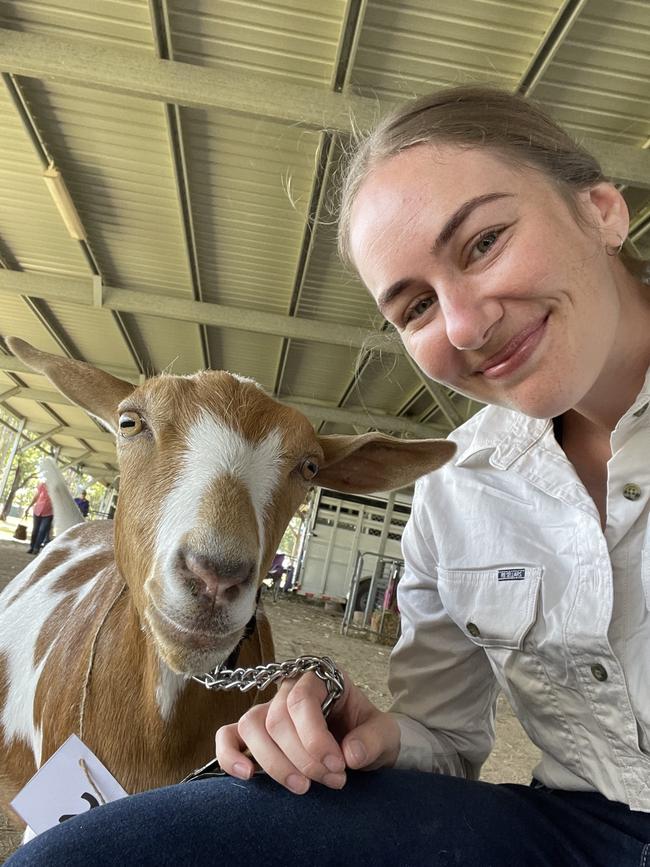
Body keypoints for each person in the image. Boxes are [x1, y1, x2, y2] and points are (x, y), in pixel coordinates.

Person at [8, 86, 650, 866]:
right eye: (414, 307)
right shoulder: (458, 491)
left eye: (483, 241)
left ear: (604, 210)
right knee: (69, 859)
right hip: (571, 829)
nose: (465, 323)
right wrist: (366, 735)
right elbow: (444, 739)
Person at [24, 478, 53, 555]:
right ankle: (32, 547)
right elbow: (36, 497)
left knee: (42, 531)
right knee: (35, 530)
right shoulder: (42, 485)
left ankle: (36, 548)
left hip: (48, 513)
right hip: (37, 511)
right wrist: (28, 507)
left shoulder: (55, 489)